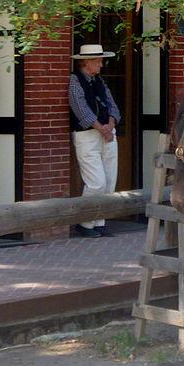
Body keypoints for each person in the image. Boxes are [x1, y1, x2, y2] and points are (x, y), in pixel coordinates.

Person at [69, 43, 122, 238]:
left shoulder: (100, 82)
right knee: (95, 182)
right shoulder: (75, 81)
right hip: (88, 135)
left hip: (107, 133)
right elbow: (80, 109)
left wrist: (110, 124)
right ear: (86, 62)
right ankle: (84, 222)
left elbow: (112, 105)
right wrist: (101, 128)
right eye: (98, 61)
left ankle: (99, 222)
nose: (101, 65)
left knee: (109, 181)